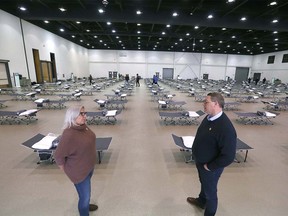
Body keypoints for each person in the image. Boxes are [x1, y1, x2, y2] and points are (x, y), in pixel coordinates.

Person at [187, 92, 237, 216]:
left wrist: (209, 167)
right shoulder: (209, 117)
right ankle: (201, 201)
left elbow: (229, 156)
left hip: (210, 167)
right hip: (201, 162)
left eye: (206, 102)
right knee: (203, 183)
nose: (203, 104)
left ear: (215, 104)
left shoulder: (226, 128)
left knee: (211, 193)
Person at [54, 105, 98, 216]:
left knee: (85, 192)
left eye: (85, 113)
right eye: (81, 114)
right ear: (72, 117)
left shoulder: (83, 127)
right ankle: (84, 211)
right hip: (79, 172)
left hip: (88, 167)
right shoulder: (69, 134)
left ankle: (86, 206)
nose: (85, 116)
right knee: (85, 197)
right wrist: (68, 171)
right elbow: (58, 155)